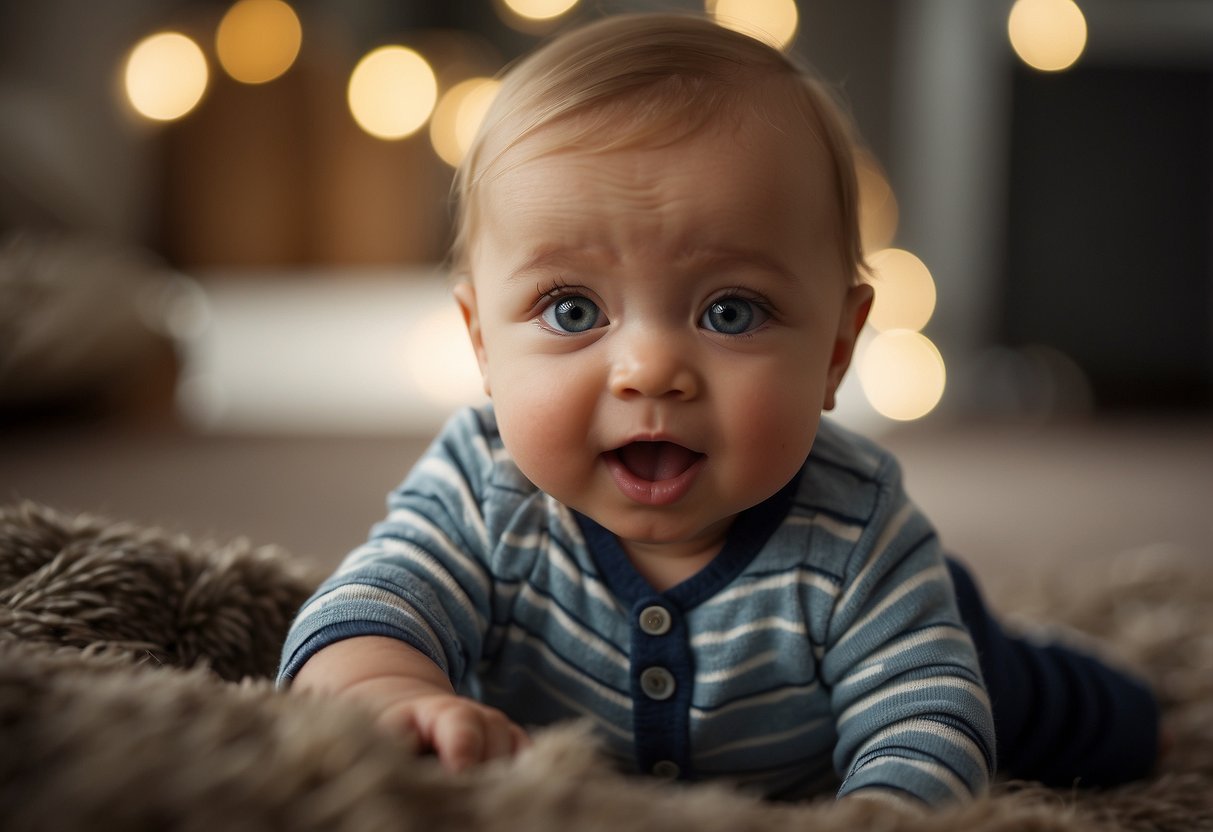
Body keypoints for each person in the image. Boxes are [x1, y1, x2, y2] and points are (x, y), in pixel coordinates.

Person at [278, 13, 1160, 807]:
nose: (651, 371)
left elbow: (922, 724)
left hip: (945, 649)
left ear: (836, 351)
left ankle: (1062, 676)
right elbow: (369, 607)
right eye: (573, 310)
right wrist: (391, 694)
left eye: (729, 312)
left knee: (1065, 712)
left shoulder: (856, 534)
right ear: (481, 344)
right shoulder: (482, 489)